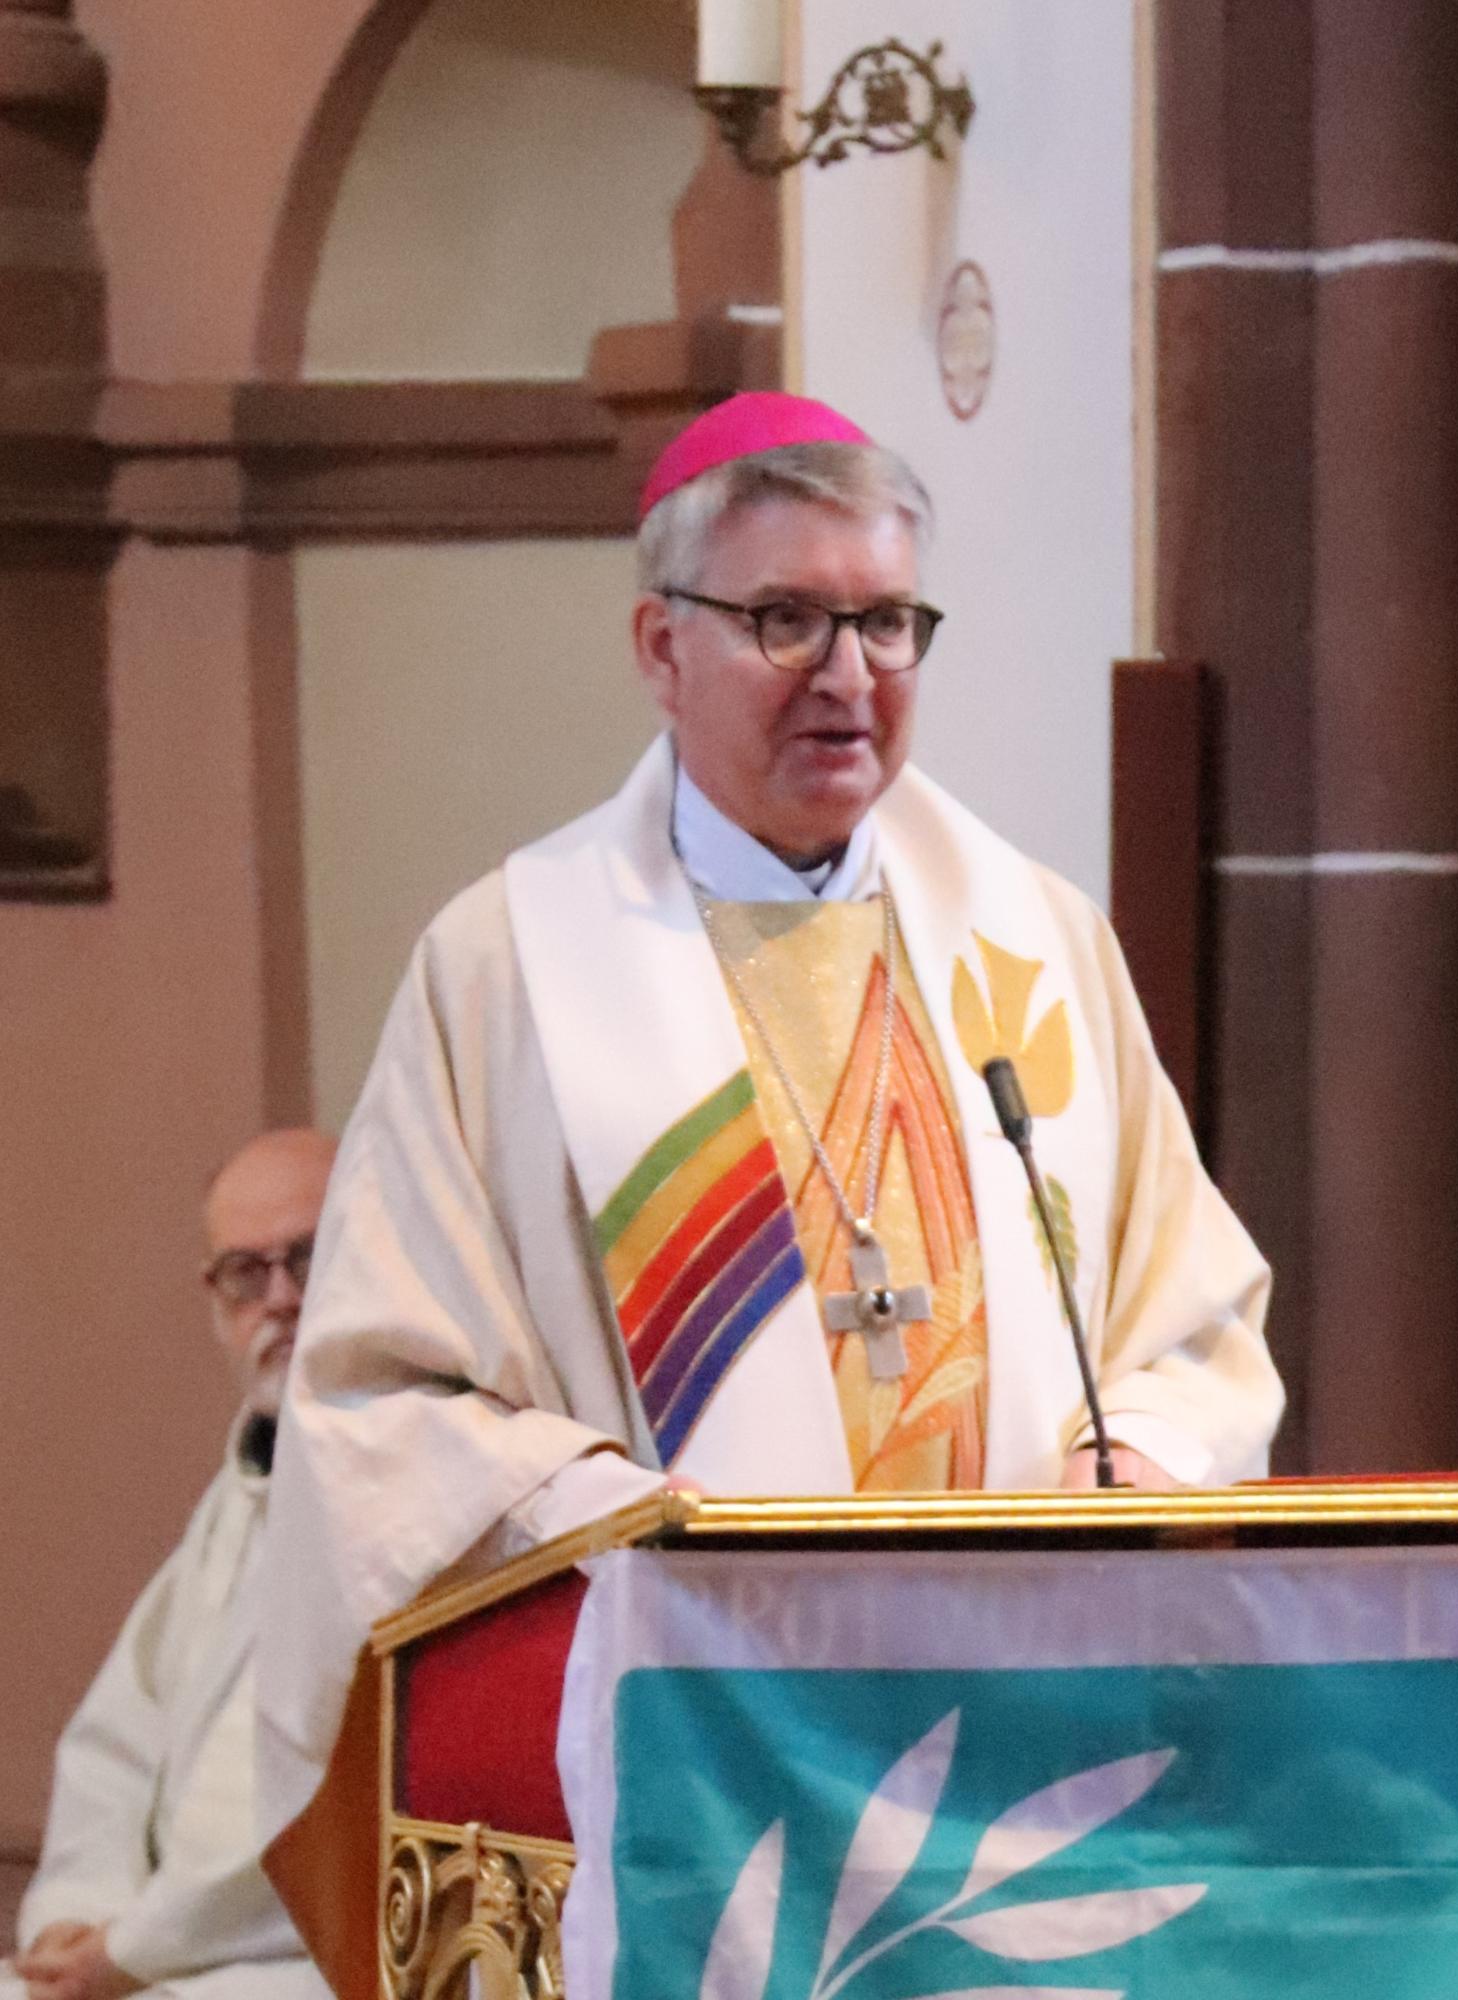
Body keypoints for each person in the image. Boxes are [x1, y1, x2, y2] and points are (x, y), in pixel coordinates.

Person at [256, 392, 1283, 1929]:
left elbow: (1189, 1319)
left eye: (886, 622)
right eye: (787, 620)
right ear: (660, 650)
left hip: (1031, 1750)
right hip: (689, 1772)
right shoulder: (510, 972)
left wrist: (1131, 1462)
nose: (851, 679)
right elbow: (380, 1404)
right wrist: (623, 1527)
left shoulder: (1039, 940)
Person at [6, 1131, 337, 2000]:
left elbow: (328, 1817)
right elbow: (116, 1747)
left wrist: (131, 1948)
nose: (283, 1300)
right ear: (213, 1298)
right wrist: (79, 1915)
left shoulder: (414, 1491)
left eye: (312, 1256)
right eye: (246, 1275)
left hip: (304, 1966)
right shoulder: (239, 1499)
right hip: (158, 1957)